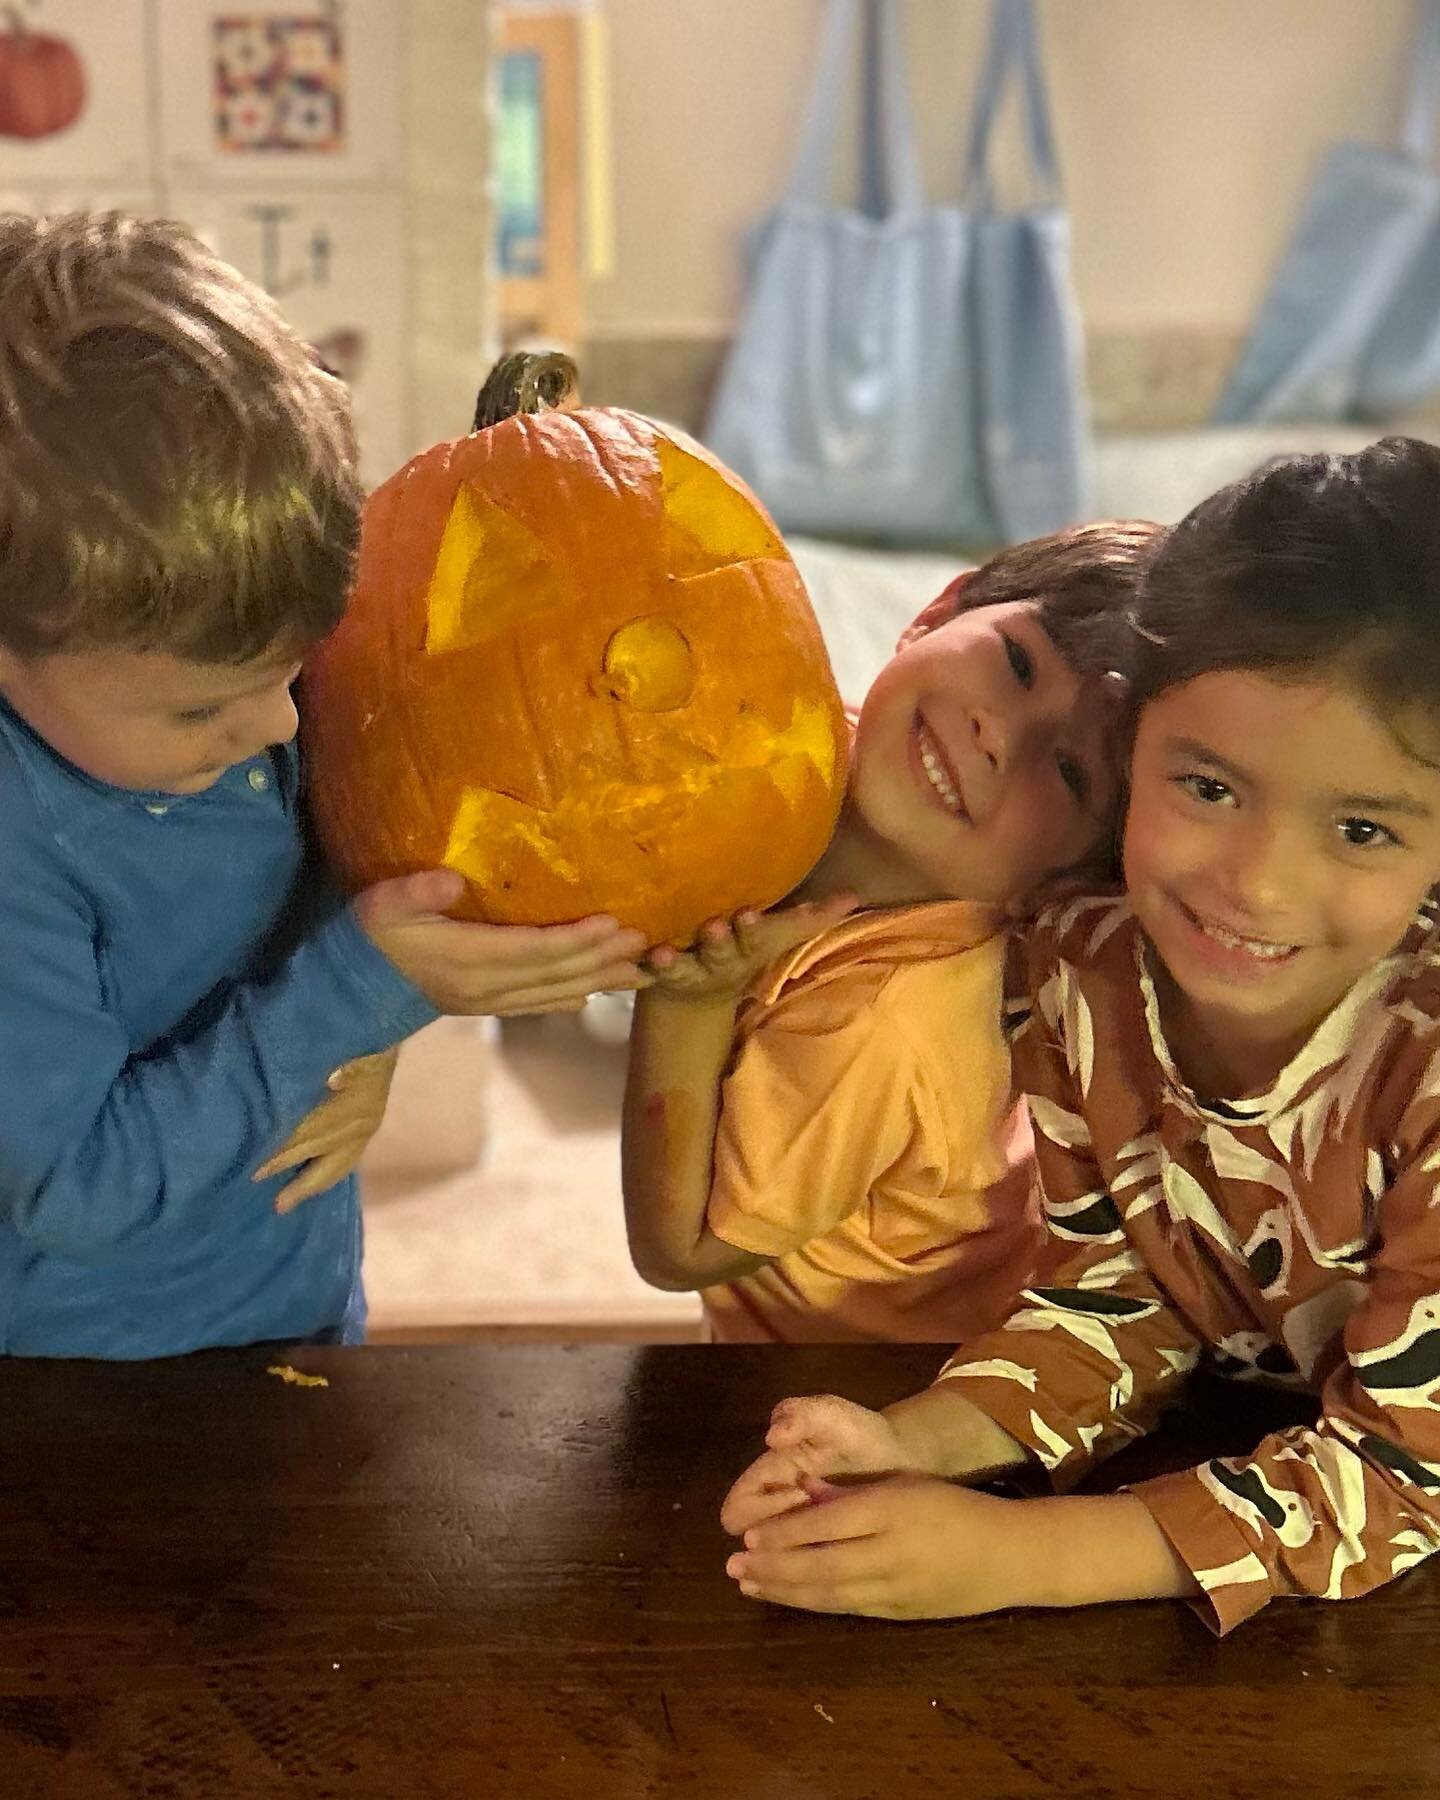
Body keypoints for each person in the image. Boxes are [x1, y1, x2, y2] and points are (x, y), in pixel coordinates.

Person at [720, 437, 1440, 1634]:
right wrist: (914, 1441)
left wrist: (1020, 1555)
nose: (1256, 887)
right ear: (1127, 739)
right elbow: (1119, 1299)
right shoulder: (1080, 965)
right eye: (1208, 788)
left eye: (1362, 831)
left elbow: (1404, 1476)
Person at [0, 211, 647, 1357]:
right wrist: (355, 994)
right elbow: (77, 1191)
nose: (281, 727)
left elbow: (325, 897)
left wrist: (373, 1030)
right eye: (203, 708)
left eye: (299, 666)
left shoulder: (231, 700)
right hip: (86, 1384)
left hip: (297, 1307)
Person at [622, 521, 1165, 1342]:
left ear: (1066, 886)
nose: (997, 735)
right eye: (1018, 663)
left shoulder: (890, 1026)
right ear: (939, 610)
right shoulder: (801, 739)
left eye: (1067, 772)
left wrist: (688, 1008)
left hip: (872, 1389)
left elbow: (682, 1251)